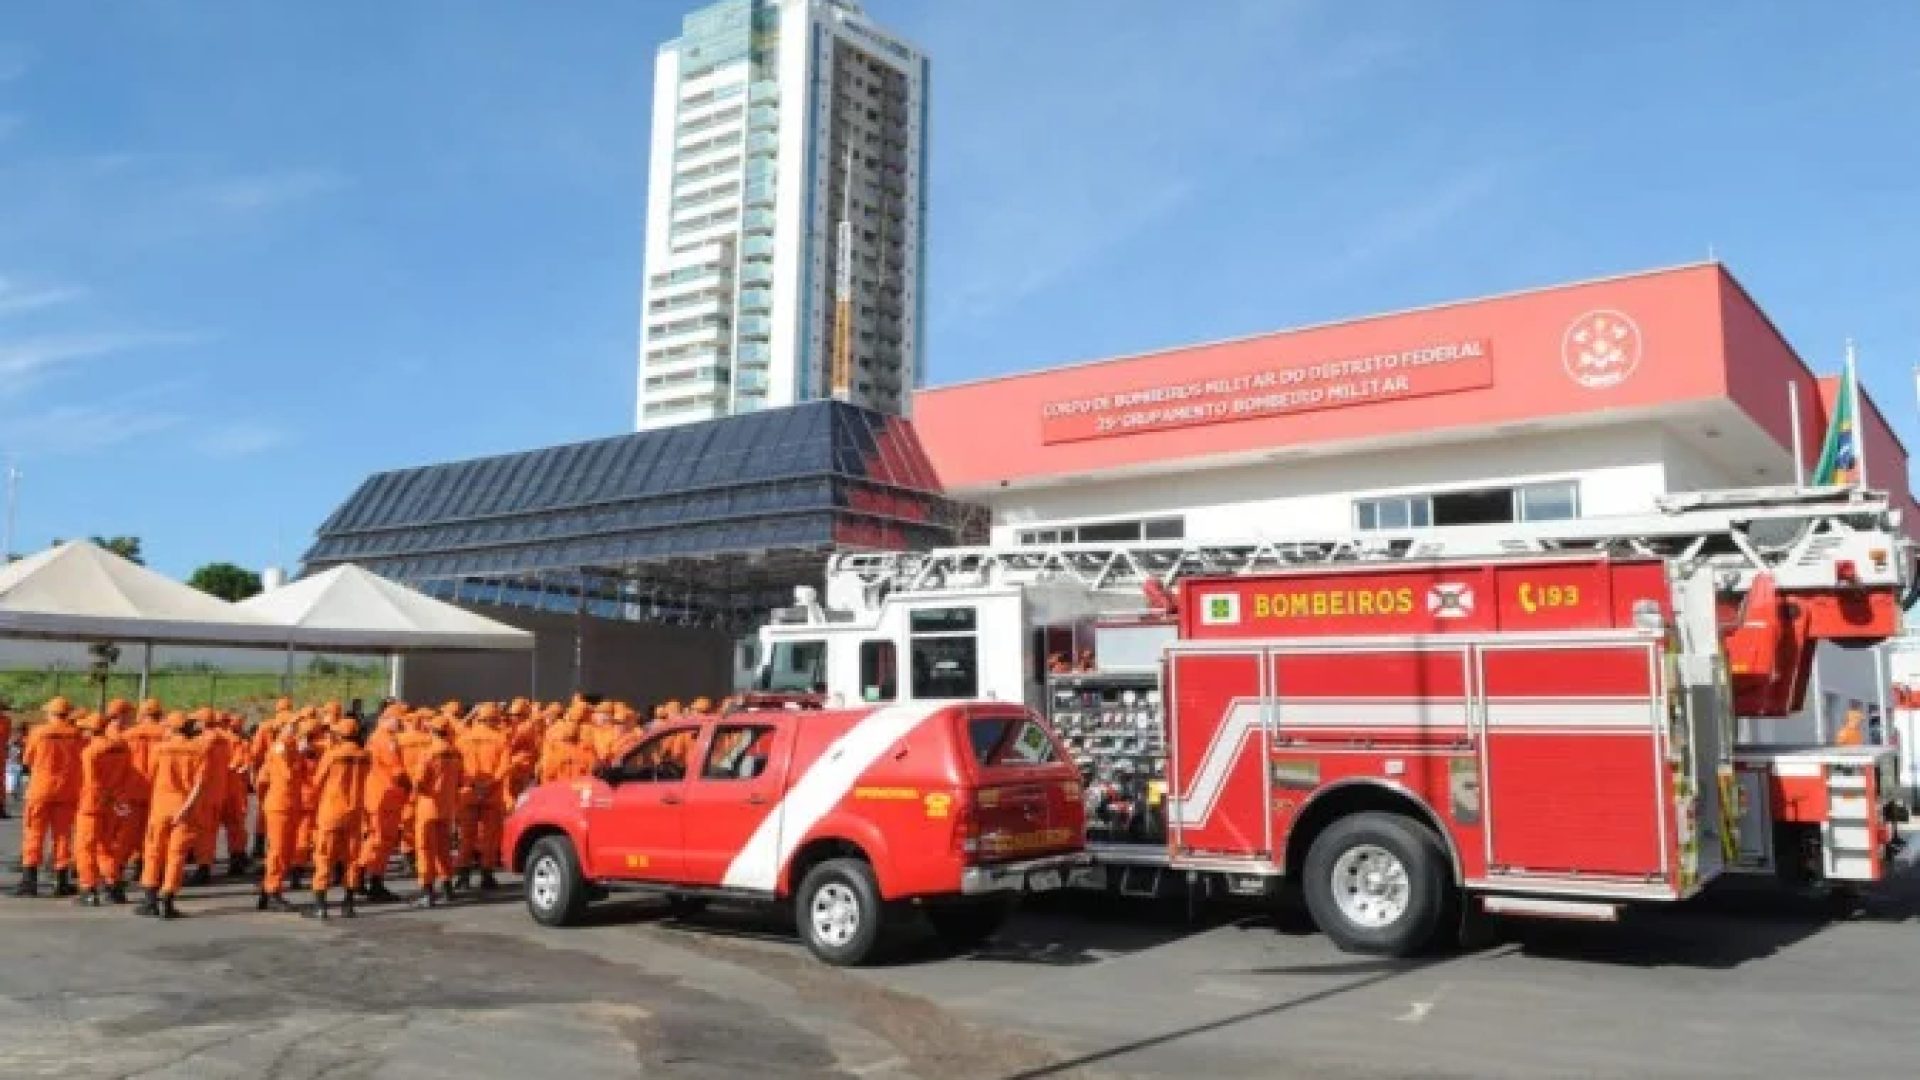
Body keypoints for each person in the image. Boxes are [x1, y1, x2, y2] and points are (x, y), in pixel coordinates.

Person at [139, 712, 209, 919]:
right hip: (184, 807)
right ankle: (167, 898)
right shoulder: (198, 749)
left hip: (161, 805)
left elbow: (149, 776)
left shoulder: (159, 749)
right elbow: (199, 785)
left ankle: (150, 898)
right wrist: (187, 807)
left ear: (171, 728)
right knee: (176, 855)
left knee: (153, 851)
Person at [16, 696, 84, 898]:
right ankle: (61, 881)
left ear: (51, 713)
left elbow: (27, 759)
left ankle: (30, 882)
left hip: (40, 789)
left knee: (34, 834)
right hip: (67, 790)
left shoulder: (39, 732)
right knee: (62, 835)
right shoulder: (76, 734)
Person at [308, 717, 370, 920]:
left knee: (324, 857)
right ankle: (348, 904)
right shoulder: (365, 755)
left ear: (340, 735)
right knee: (352, 859)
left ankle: (320, 905)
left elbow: (317, 782)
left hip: (332, 811)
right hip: (355, 813)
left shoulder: (332, 755)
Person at [72, 711, 135, 907]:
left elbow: (93, 782)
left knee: (85, 847)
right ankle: (114, 885)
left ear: (92, 731)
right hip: (114, 804)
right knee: (106, 847)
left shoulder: (90, 752)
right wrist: (115, 797)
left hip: (93, 804)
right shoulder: (122, 747)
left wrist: (103, 797)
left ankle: (88, 888)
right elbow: (127, 774)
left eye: (85, 730)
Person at [408, 716, 464, 908]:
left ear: (432, 731)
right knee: (443, 849)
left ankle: (427, 892)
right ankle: (448, 888)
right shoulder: (456, 753)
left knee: (425, 849)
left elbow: (419, 781)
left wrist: (417, 793)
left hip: (428, 806)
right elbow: (461, 781)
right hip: (447, 807)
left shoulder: (429, 753)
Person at [455, 703, 511, 891]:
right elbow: (505, 767)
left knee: (466, 836)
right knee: (489, 837)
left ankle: (463, 876)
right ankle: (487, 875)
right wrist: (489, 784)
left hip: (468, 792)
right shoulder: (500, 738)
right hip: (492, 794)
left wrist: (472, 785)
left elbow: (458, 766)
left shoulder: (464, 738)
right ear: (494, 718)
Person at [254, 714, 307, 913]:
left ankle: (267, 891)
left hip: (287, 804)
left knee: (285, 851)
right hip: (280, 806)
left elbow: (262, 779)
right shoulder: (280, 748)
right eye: (292, 725)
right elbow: (288, 776)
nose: (296, 729)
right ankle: (272, 890)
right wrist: (298, 756)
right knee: (278, 851)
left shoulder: (288, 748)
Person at [355, 705, 408, 903]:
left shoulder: (378, 738)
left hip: (382, 796)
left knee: (378, 840)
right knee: (380, 841)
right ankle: (370, 880)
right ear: (389, 719)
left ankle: (362, 878)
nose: (402, 724)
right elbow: (397, 772)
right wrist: (412, 785)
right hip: (384, 797)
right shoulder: (385, 741)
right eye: (399, 720)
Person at [0, 699, 12, 819]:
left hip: (1, 756)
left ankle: (1, 807)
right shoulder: (6, 721)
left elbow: (6, 739)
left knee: (1, 783)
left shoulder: (6, 721)